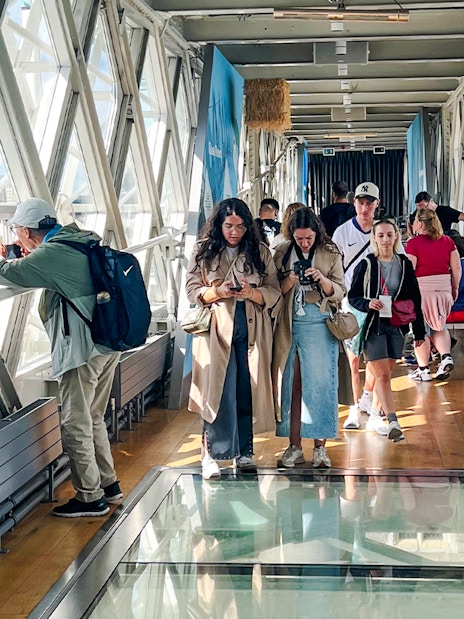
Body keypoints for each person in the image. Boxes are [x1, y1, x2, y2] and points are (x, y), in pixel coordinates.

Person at [0, 198, 123, 517]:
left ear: (26, 230)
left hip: (81, 351)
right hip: (107, 342)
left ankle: (89, 497)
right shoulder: (80, 239)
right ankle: (109, 484)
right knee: (93, 416)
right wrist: (18, 251)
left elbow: (11, 274)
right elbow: (40, 264)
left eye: (17, 231)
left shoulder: (53, 253)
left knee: (74, 421)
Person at [186, 198, 281, 480]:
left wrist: (252, 293)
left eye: (240, 226)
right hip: (216, 332)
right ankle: (210, 454)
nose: (234, 232)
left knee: (245, 389)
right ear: (219, 225)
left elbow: (274, 290)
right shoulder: (204, 252)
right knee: (216, 393)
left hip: (251, 332)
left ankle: (244, 452)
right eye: (228, 226)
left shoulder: (260, 252)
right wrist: (218, 292)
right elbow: (192, 290)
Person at [272, 207, 345, 468]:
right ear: (291, 234)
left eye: (309, 238)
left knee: (323, 384)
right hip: (289, 324)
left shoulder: (330, 252)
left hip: (321, 322)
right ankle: (293, 446)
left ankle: (320, 448)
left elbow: (340, 291)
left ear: (317, 233)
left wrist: (322, 279)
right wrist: (290, 281)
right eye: (299, 238)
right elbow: (273, 291)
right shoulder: (281, 253)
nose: (304, 243)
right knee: (290, 384)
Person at [348, 218, 425, 441]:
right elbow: (353, 296)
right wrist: (368, 303)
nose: (385, 240)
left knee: (385, 372)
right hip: (373, 326)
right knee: (382, 374)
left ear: (396, 236)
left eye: (389, 235)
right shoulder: (366, 264)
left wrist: (419, 332)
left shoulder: (404, 264)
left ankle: (368, 402)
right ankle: (391, 420)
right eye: (380, 235)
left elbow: (415, 296)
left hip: (397, 325)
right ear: (374, 238)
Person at [332, 182, 384, 430]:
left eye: (369, 203)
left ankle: (370, 403)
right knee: (353, 359)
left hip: (378, 302)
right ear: (354, 204)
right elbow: (334, 268)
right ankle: (354, 408)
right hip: (351, 302)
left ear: (377, 204)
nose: (364, 208)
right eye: (360, 203)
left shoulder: (383, 231)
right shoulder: (342, 233)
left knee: (375, 359)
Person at [406, 208, 461, 380]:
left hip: (422, 291)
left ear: (420, 224)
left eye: (414, 221)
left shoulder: (413, 244)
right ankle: (445, 358)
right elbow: (457, 268)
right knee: (439, 325)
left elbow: (410, 270)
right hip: (444, 289)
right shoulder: (447, 241)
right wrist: (454, 288)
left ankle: (423, 370)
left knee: (421, 330)